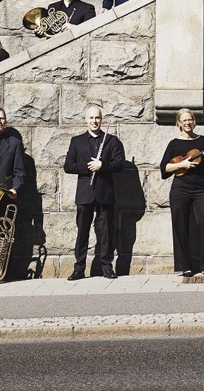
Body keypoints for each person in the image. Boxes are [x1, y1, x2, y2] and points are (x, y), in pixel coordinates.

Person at [63, 105, 126, 279]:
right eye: (91, 118)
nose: (94, 121)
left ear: (101, 119)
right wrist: (88, 167)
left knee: (106, 232)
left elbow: (119, 164)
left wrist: (103, 165)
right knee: (82, 231)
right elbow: (68, 166)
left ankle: (106, 266)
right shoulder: (77, 141)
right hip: (85, 193)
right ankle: (79, 268)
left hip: (105, 193)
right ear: (86, 120)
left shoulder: (112, 141)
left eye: (97, 118)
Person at [160, 108, 204, 277]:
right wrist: (182, 165)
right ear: (179, 123)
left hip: (200, 188)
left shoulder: (203, 141)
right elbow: (164, 168)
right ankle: (186, 266)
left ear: (194, 121)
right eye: (184, 120)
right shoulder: (174, 144)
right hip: (180, 188)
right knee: (180, 225)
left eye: (190, 119)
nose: (187, 123)